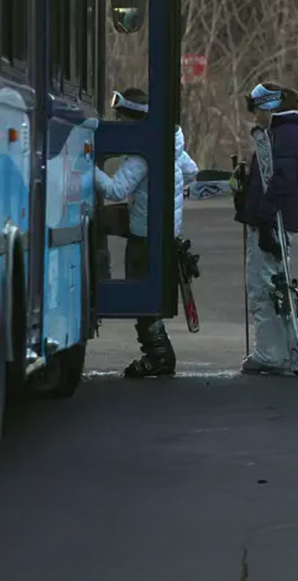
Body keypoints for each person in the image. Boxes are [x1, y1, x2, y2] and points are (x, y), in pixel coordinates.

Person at [94, 87, 199, 378]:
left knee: (141, 292)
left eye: (122, 118)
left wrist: (85, 167)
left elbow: (116, 189)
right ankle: (159, 352)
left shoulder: (142, 156)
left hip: (144, 232)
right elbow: (192, 171)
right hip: (166, 229)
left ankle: (158, 354)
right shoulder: (171, 145)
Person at [234, 82, 298, 375]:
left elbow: (282, 180)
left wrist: (263, 218)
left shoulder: (284, 135)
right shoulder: (286, 132)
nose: (254, 116)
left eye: (256, 108)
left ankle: (273, 353)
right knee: (279, 285)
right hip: (275, 219)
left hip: (272, 221)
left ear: (269, 105)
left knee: (265, 288)